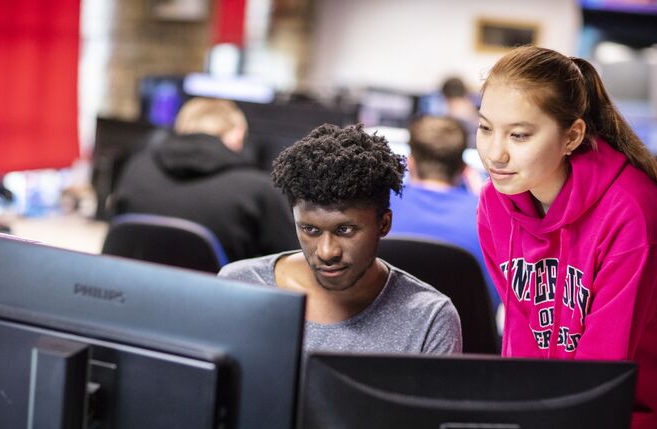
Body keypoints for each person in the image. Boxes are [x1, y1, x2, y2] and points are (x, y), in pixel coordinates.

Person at [475, 45, 657, 429]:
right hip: (557, 418)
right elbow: (523, 326)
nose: (495, 153)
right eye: (485, 129)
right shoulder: (495, 203)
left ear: (572, 136)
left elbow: (603, 366)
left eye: (520, 135)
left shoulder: (634, 214)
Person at [219, 123, 462, 355]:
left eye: (344, 230)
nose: (326, 252)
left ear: (384, 224)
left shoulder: (429, 318)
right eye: (310, 230)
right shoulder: (239, 286)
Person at [112, 97, 298, 262]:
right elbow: (291, 263)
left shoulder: (137, 168)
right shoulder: (259, 190)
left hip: (138, 294)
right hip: (219, 300)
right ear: (237, 134)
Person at [389, 115, 500, 310]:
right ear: (464, 169)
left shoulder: (378, 207)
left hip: (387, 337)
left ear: (409, 163)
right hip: (466, 339)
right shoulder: (492, 219)